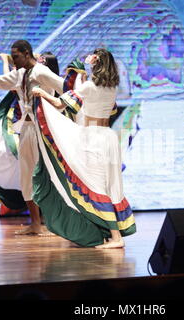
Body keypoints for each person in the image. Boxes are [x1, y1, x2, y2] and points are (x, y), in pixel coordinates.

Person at [30, 48, 136, 248]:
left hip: (93, 137)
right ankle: (110, 233)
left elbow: (61, 104)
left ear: (96, 63)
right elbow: (112, 109)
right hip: (109, 137)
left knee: (96, 186)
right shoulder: (112, 86)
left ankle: (116, 238)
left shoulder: (88, 86)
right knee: (109, 185)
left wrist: (41, 93)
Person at [0, 40, 64, 236]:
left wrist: (59, 109)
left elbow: (64, 88)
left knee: (49, 176)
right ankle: (35, 224)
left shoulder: (41, 72)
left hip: (44, 129)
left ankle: (53, 222)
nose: (14, 60)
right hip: (26, 129)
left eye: (16, 56)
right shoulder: (21, 74)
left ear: (27, 53)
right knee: (26, 177)